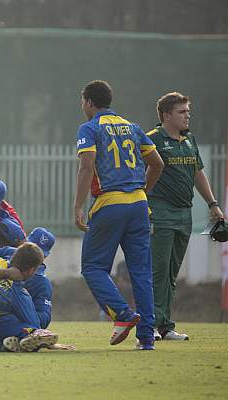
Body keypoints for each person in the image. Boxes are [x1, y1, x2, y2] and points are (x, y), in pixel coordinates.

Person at [73, 80, 164, 351]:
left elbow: (87, 167)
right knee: (141, 273)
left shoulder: (89, 128)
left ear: (89, 102)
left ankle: (122, 315)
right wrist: (142, 191)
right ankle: (147, 339)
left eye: (83, 102)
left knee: (92, 267)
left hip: (109, 204)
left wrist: (78, 206)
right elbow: (157, 163)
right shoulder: (133, 127)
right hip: (139, 205)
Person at [146, 92, 224, 341]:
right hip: (160, 212)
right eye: (182, 112)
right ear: (166, 115)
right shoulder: (152, 139)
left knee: (171, 274)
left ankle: (165, 326)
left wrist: (212, 203)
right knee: (157, 272)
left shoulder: (189, 139)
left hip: (183, 214)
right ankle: (150, 326)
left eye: (188, 111)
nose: (187, 115)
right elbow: (138, 171)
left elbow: (198, 172)